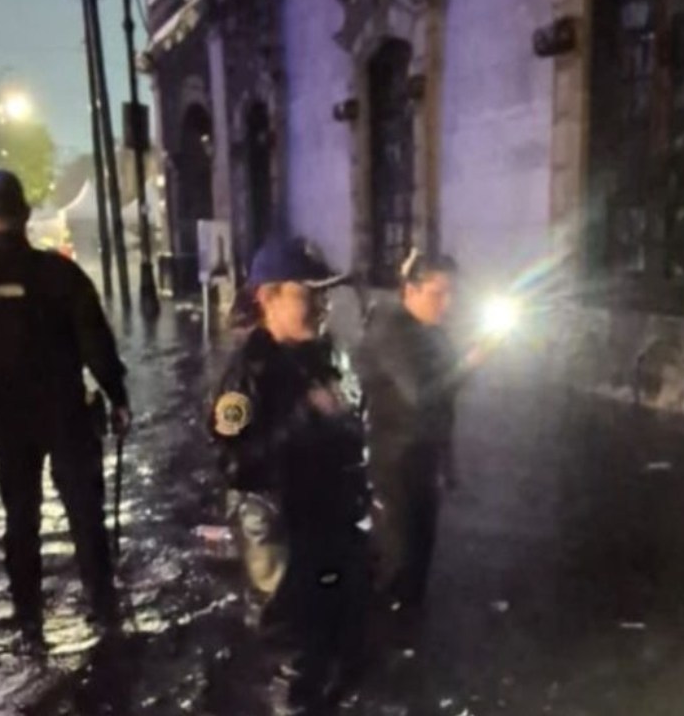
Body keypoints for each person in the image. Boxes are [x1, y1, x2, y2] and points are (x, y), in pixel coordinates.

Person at [0, 170, 130, 644]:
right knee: (84, 513)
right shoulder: (60, 273)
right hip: (65, 413)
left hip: (7, 418)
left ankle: (28, 622)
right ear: (24, 216)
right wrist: (118, 399)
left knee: (21, 518)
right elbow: (95, 343)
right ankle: (103, 612)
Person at [210, 238, 370, 716]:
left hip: (334, 524)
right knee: (295, 663)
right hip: (280, 533)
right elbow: (235, 463)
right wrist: (300, 422)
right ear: (268, 298)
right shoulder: (245, 378)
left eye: (325, 293)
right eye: (308, 293)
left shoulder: (324, 357)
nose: (322, 304)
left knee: (347, 647)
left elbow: (351, 428)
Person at [358, 250, 489, 612]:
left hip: (423, 457)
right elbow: (420, 394)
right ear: (410, 290)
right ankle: (383, 635)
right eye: (437, 294)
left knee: (420, 551)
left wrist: (448, 465)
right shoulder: (391, 331)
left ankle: (407, 630)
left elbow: (446, 393)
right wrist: (469, 362)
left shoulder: (431, 331)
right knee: (397, 557)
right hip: (394, 464)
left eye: (450, 294)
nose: (445, 303)